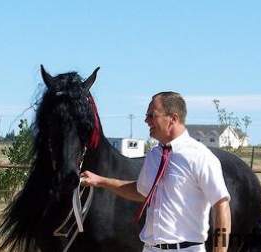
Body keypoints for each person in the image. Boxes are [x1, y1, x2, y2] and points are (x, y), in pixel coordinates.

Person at [81, 92, 231, 252]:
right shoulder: (154, 155)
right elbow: (141, 191)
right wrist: (100, 181)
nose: (146, 120)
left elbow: (221, 205)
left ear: (173, 119)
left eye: (152, 115)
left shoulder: (201, 157)